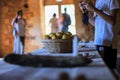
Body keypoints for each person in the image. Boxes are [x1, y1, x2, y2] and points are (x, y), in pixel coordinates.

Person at [79, 0, 119, 69]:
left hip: (109, 42)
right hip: (98, 41)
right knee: (100, 69)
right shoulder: (98, 1)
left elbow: (112, 21)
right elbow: (95, 23)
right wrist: (86, 12)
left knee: (109, 71)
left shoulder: (112, 0)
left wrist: (94, 9)